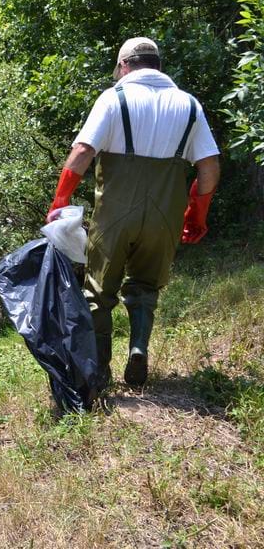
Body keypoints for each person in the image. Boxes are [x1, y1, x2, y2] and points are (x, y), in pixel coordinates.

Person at [47, 37, 220, 389]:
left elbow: (82, 151)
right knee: (145, 285)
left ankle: (101, 371)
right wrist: (196, 213)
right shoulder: (188, 105)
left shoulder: (114, 98)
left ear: (124, 66)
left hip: (115, 213)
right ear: (157, 65)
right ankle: (138, 348)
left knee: (98, 292)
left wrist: (60, 201)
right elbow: (209, 166)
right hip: (165, 214)